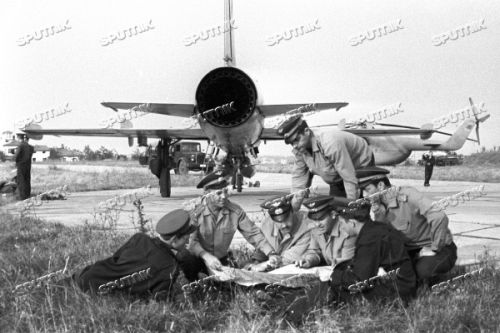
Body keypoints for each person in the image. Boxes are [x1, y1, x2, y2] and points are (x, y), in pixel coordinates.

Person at [298, 195, 416, 302]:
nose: (342, 226)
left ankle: (293, 312)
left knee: (330, 291)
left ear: (352, 223)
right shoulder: (375, 230)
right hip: (398, 285)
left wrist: (335, 276)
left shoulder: (369, 239)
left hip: (395, 291)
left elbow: (358, 280)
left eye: (343, 223)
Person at [357, 166, 457, 285]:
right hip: (410, 250)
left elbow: (439, 216)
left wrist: (435, 248)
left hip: (439, 248)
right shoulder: (379, 205)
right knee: (394, 273)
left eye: (367, 189)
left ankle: (432, 279)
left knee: (421, 270)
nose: (364, 195)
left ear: (380, 186)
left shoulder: (408, 194)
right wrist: (380, 217)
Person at [73, 209, 196, 299]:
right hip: (99, 294)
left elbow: (115, 258)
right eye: (186, 237)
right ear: (174, 239)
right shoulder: (170, 267)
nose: (188, 241)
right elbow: (160, 299)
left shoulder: (139, 238)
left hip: (86, 275)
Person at [181, 170, 279, 281]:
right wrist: (206, 256)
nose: (223, 196)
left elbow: (253, 233)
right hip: (198, 258)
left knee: (233, 284)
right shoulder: (194, 211)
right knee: (187, 259)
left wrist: (271, 253)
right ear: (206, 193)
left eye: (226, 191)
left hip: (220, 260)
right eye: (218, 193)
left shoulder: (235, 211)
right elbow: (191, 243)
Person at [276, 115, 375, 207]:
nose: (294, 145)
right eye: (291, 143)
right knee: (335, 209)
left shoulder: (329, 143)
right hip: (336, 176)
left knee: (365, 206)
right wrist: (293, 207)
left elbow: (349, 177)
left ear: (306, 131)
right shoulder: (300, 150)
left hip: (360, 164)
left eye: (297, 139)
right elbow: (299, 177)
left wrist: (351, 206)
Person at [245, 195, 312, 271]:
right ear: (272, 219)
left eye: (286, 219)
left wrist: (266, 264)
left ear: (292, 212)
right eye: (279, 221)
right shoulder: (267, 224)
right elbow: (260, 254)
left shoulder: (308, 225)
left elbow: (292, 257)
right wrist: (254, 265)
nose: (284, 225)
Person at [14, 133, 34, 200]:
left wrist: (16, 161)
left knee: (21, 181)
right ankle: (28, 195)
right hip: (28, 166)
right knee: (27, 180)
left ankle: (23, 197)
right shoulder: (31, 147)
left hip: (21, 165)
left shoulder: (20, 145)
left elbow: (16, 156)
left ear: (19, 138)